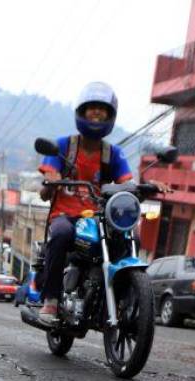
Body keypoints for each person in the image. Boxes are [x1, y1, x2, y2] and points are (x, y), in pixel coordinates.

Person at [36, 81, 133, 326]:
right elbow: (47, 185)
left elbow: (127, 183)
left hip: (98, 218)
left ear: (111, 116)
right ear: (81, 111)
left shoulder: (114, 154)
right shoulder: (62, 146)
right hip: (66, 215)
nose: (97, 114)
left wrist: (148, 186)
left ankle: (123, 299)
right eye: (92, 108)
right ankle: (51, 300)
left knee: (130, 237)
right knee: (60, 234)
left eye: (103, 110)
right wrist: (51, 179)